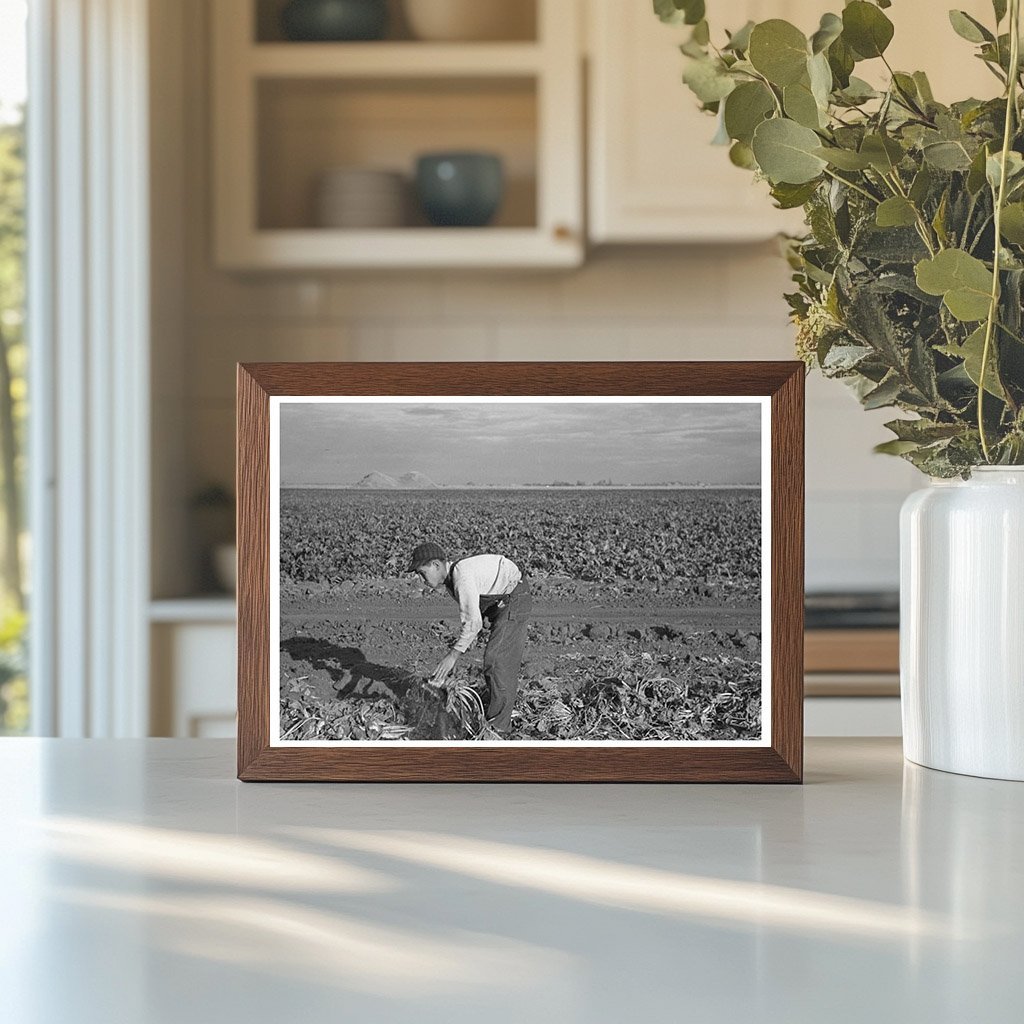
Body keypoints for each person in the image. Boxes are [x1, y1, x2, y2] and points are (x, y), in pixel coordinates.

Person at [406, 541, 532, 735]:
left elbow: (473, 624)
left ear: (436, 565)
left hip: (514, 597)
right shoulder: (452, 581)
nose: (421, 579)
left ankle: (499, 728)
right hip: (499, 600)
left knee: (498, 661)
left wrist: (453, 656)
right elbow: (474, 617)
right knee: (495, 660)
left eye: (422, 572)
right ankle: (497, 707)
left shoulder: (461, 577)